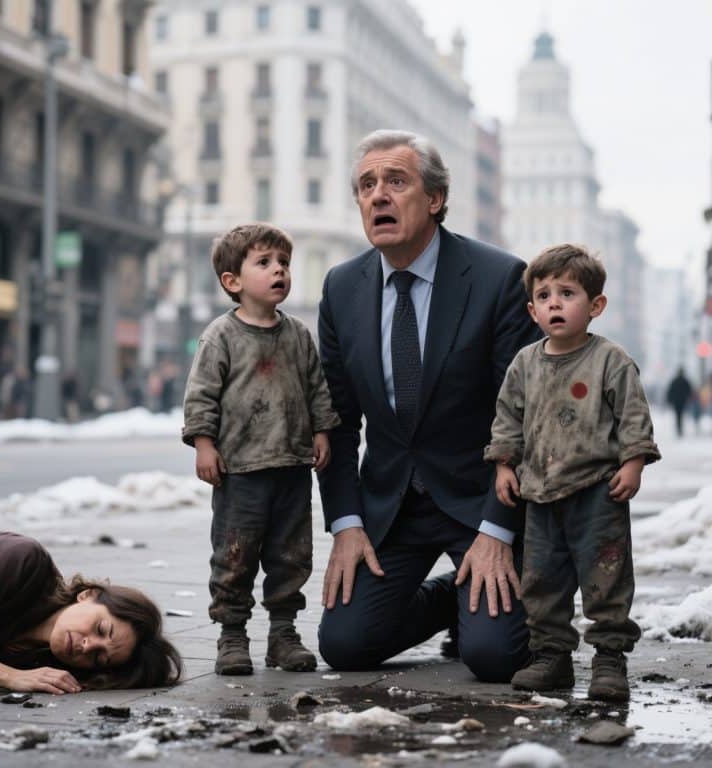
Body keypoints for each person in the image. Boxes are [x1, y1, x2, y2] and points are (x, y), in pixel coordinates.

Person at [316, 130, 539, 681]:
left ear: (435, 199)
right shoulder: (341, 287)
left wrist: (498, 532)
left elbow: (523, 420)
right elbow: (339, 422)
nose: (378, 196)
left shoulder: (498, 278)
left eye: (396, 181)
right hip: (391, 506)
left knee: (493, 657)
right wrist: (346, 524)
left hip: (479, 500)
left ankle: (518, 590)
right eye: (367, 185)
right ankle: (450, 598)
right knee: (344, 646)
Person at [485, 244, 661, 701]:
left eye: (567, 293)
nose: (555, 303)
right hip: (539, 495)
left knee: (606, 578)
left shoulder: (610, 360)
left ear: (596, 305)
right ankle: (551, 656)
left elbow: (633, 416)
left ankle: (609, 657)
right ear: (532, 310)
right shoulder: (525, 364)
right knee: (541, 582)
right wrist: (505, 465)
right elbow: (507, 418)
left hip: (598, 494)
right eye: (544, 296)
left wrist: (633, 461)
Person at [182, 223, 340, 676]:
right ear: (232, 281)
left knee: (291, 555)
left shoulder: (297, 335)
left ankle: (283, 634)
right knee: (235, 555)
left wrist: (322, 431)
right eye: (265, 263)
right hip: (241, 470)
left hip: (291, 466)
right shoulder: (221, 336)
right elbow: (202, 394)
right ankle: (232, 636)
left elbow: (316, 388)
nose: (279, 272)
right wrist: (204, 444)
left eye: (284, 264)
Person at [0, 528, 182, 692]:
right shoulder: (21, 559)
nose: (87, 646)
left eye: (98, 658)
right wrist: (8, 676)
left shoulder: (42, 663)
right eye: (101, 629)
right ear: (88, 595)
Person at [666, 367, 692, 437]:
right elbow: (689, 391)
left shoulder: (675, 381)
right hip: (682, 401)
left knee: (678, 415)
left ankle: (678, 428)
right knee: (681, 415)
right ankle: (680, 428)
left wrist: (669, 400)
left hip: (676, 401)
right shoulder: (685, 381)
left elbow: (670, 391)